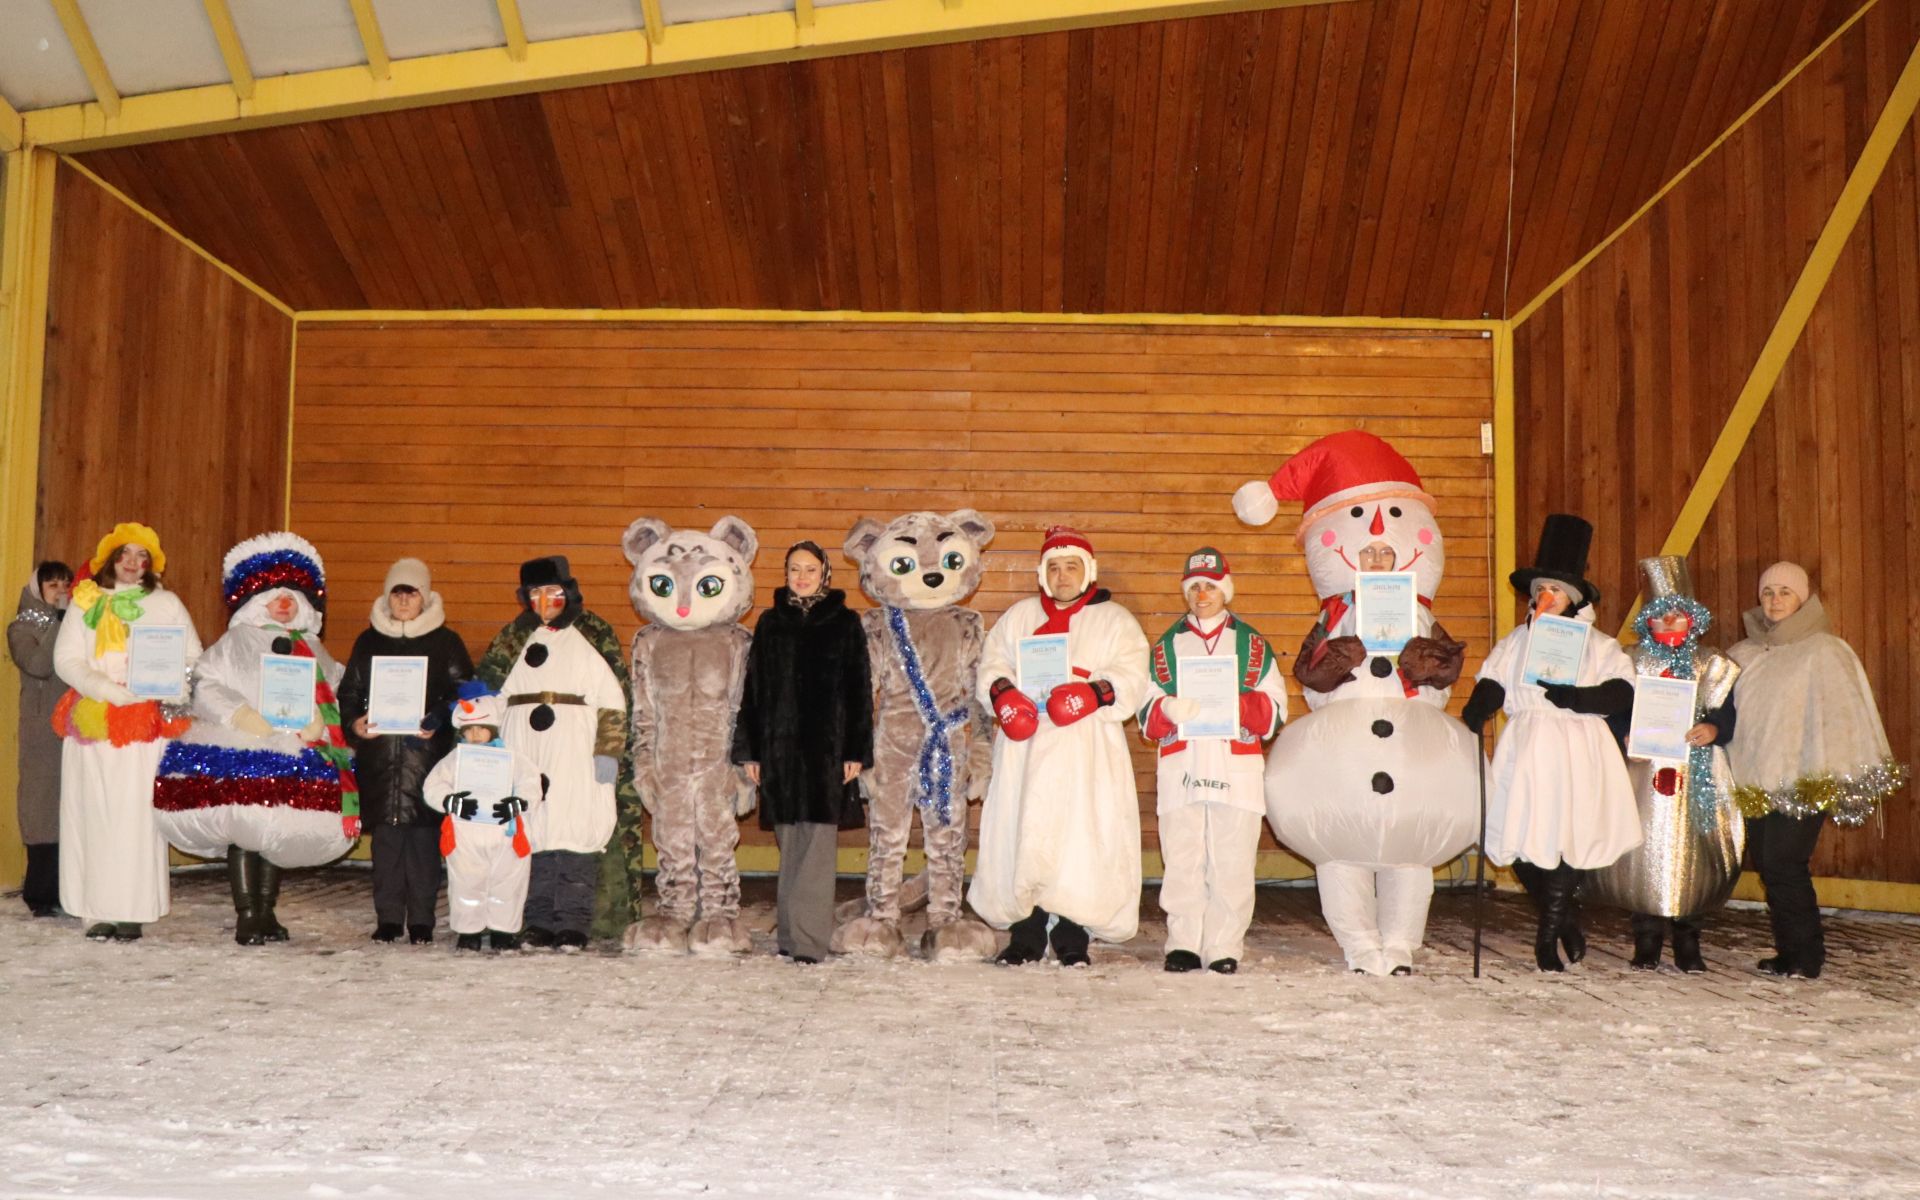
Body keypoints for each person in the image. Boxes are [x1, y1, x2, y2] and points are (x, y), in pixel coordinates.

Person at [153, 533, 357, 946]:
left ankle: (267, 910)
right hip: (244, 746)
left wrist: (320, 719)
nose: (283, 604)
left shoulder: (314, 648)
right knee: (246, 828)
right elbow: (206, 684)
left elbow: (337, 687)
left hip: (298, 749)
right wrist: (243, 715)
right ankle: (247, 913)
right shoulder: (234, 642)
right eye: (274, 596)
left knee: (275, 830)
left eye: (291, 598)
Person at [1463, 514, 1641, 972]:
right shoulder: (1517, 640)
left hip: (1578, 745)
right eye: (1541, 590)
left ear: (1573, 598)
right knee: (1522, 837)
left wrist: (1580, 698)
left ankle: (1547, 939)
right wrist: (1480, 704)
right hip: (1529, 745)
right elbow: (1495, 679)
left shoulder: (1600, 646)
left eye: (1556, 591)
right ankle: (1564, 920)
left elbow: (1622, 690)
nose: (1547, 598)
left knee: (1566, 836)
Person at [970, 526, 1150, 966]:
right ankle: (1026, 933)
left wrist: (1093, 694)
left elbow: (1134, 674)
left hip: (1085, 749)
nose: (1062, 575)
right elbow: (992, 662)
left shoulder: (1115, 620)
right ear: (1042, 573)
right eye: (1054, 567)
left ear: (1087, 571)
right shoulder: (1018, 617)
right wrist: (1004, 696)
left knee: (1081, 837)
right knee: (1024, 830)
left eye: (1071, 566)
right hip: (1026, 748)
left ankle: (1073, 935)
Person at [1726, 562, 1908, 980]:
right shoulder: (1746, 653)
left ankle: (1805, 955)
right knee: (1772, 868)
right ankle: (1791, 950)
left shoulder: (1825, 651)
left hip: (1803, 780)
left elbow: (1842, 714)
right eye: (1768, 592)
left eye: (1784, 592)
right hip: (1755, 781)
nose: (1774, 601)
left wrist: (1831, 769)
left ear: (1803, 598)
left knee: (1785, 863)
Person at [1582, 555, 1741, 973]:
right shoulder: (1630, 661)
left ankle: (1688, 939)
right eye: (1661, 617)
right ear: (1648, 622)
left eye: (1678, 617)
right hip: (1644, 772)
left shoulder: (1711, 663)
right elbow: (1618, 707)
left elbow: (1725, 711)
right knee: (1645, 851)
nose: (1669, 624)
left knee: (1693, 854)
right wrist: (1623, 733)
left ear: (1692, 620)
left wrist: (1713, 728)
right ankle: (1646, 937)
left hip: (1696, 773)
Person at [1139, 548, 1286, 974]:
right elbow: (1145, 707)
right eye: (1195, 587)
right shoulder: (1166, 646)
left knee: (1233, 857)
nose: (1202, 594)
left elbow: (1276, 709)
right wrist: (1167, 708)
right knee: (1183, 854)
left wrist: (1238, 706)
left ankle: (1224, 945)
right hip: (1184, 762)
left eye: (1210, 586)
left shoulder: (1253, 644)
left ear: (1226, 589)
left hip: (1233, 763)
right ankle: (1183, 941)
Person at [52, 524, 200, 941]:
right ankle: (94, 910)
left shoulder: (167, 603)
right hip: (97, 722)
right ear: (110, 560)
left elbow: (192, 656)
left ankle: (133, 908)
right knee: (94, 812)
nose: (134, 564)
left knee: (137, 816)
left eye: (142, 557)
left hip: (145, 725)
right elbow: (66, 659)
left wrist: (173, 685)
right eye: (125, 555)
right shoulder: (86, 603)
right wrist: (106, 690)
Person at [476, 556, 629, 952]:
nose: (545, 600)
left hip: (575, 746)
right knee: (534, 832)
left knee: (574, 833)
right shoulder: (513, 640)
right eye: (536, 593)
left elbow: (613, 699)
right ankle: (538, 921)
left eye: (553, 592)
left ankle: (574, 923)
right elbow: (489, 696)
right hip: (523, 745)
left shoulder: (590, 636)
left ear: (569, 593)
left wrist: (608, 751)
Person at [730, 541, 873, 964]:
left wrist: (856, 751)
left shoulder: (846, 623)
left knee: (817, 845)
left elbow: (859, 690)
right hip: (778, 751)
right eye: (795, 569)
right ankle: (790, 937)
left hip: (826, 751)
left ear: (825, 574)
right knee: (789, 842)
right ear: (786, 572)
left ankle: (810, 942)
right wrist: (751, 752)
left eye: (811, 569)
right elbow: (752, 692)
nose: (803, 576)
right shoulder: (771, 623)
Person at [336, 558, 474, 945]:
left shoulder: (446, 642)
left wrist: (437, 720)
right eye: (397, 592)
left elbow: (464, 695)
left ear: (424, 597)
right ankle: (389, 918)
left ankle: (424, 920)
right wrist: (355, 722)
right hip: (379, 760)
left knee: (423, 844)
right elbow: (349, 692)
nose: (403, 600)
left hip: (425, 760)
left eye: (410, 593)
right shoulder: (368, 640)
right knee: (386, 844)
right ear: (387, 596)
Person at [423, 685, 545, 952]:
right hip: (466, 834)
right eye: (469, 730)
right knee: (467, 883)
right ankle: (469, 931)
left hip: (505, 835)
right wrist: (449, 801)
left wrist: (519, 803)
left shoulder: (512, 757)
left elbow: (530, 783)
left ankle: (503, 930)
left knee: (508, 883)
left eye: (481, 728)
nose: (475, 735)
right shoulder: (454, 759)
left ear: (493, 727)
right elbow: (433, 786)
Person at [9, 560, 71, 916]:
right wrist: (61, 621)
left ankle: (68, 889)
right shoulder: (21, 627)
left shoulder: (74, 622)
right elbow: (38, 664)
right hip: (41, 730)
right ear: (38, 590)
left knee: (70, 806)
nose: (61, 591)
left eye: (66, 584)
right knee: (41, 806)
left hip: (74, 725)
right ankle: (40, 894)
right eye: (53, 585)